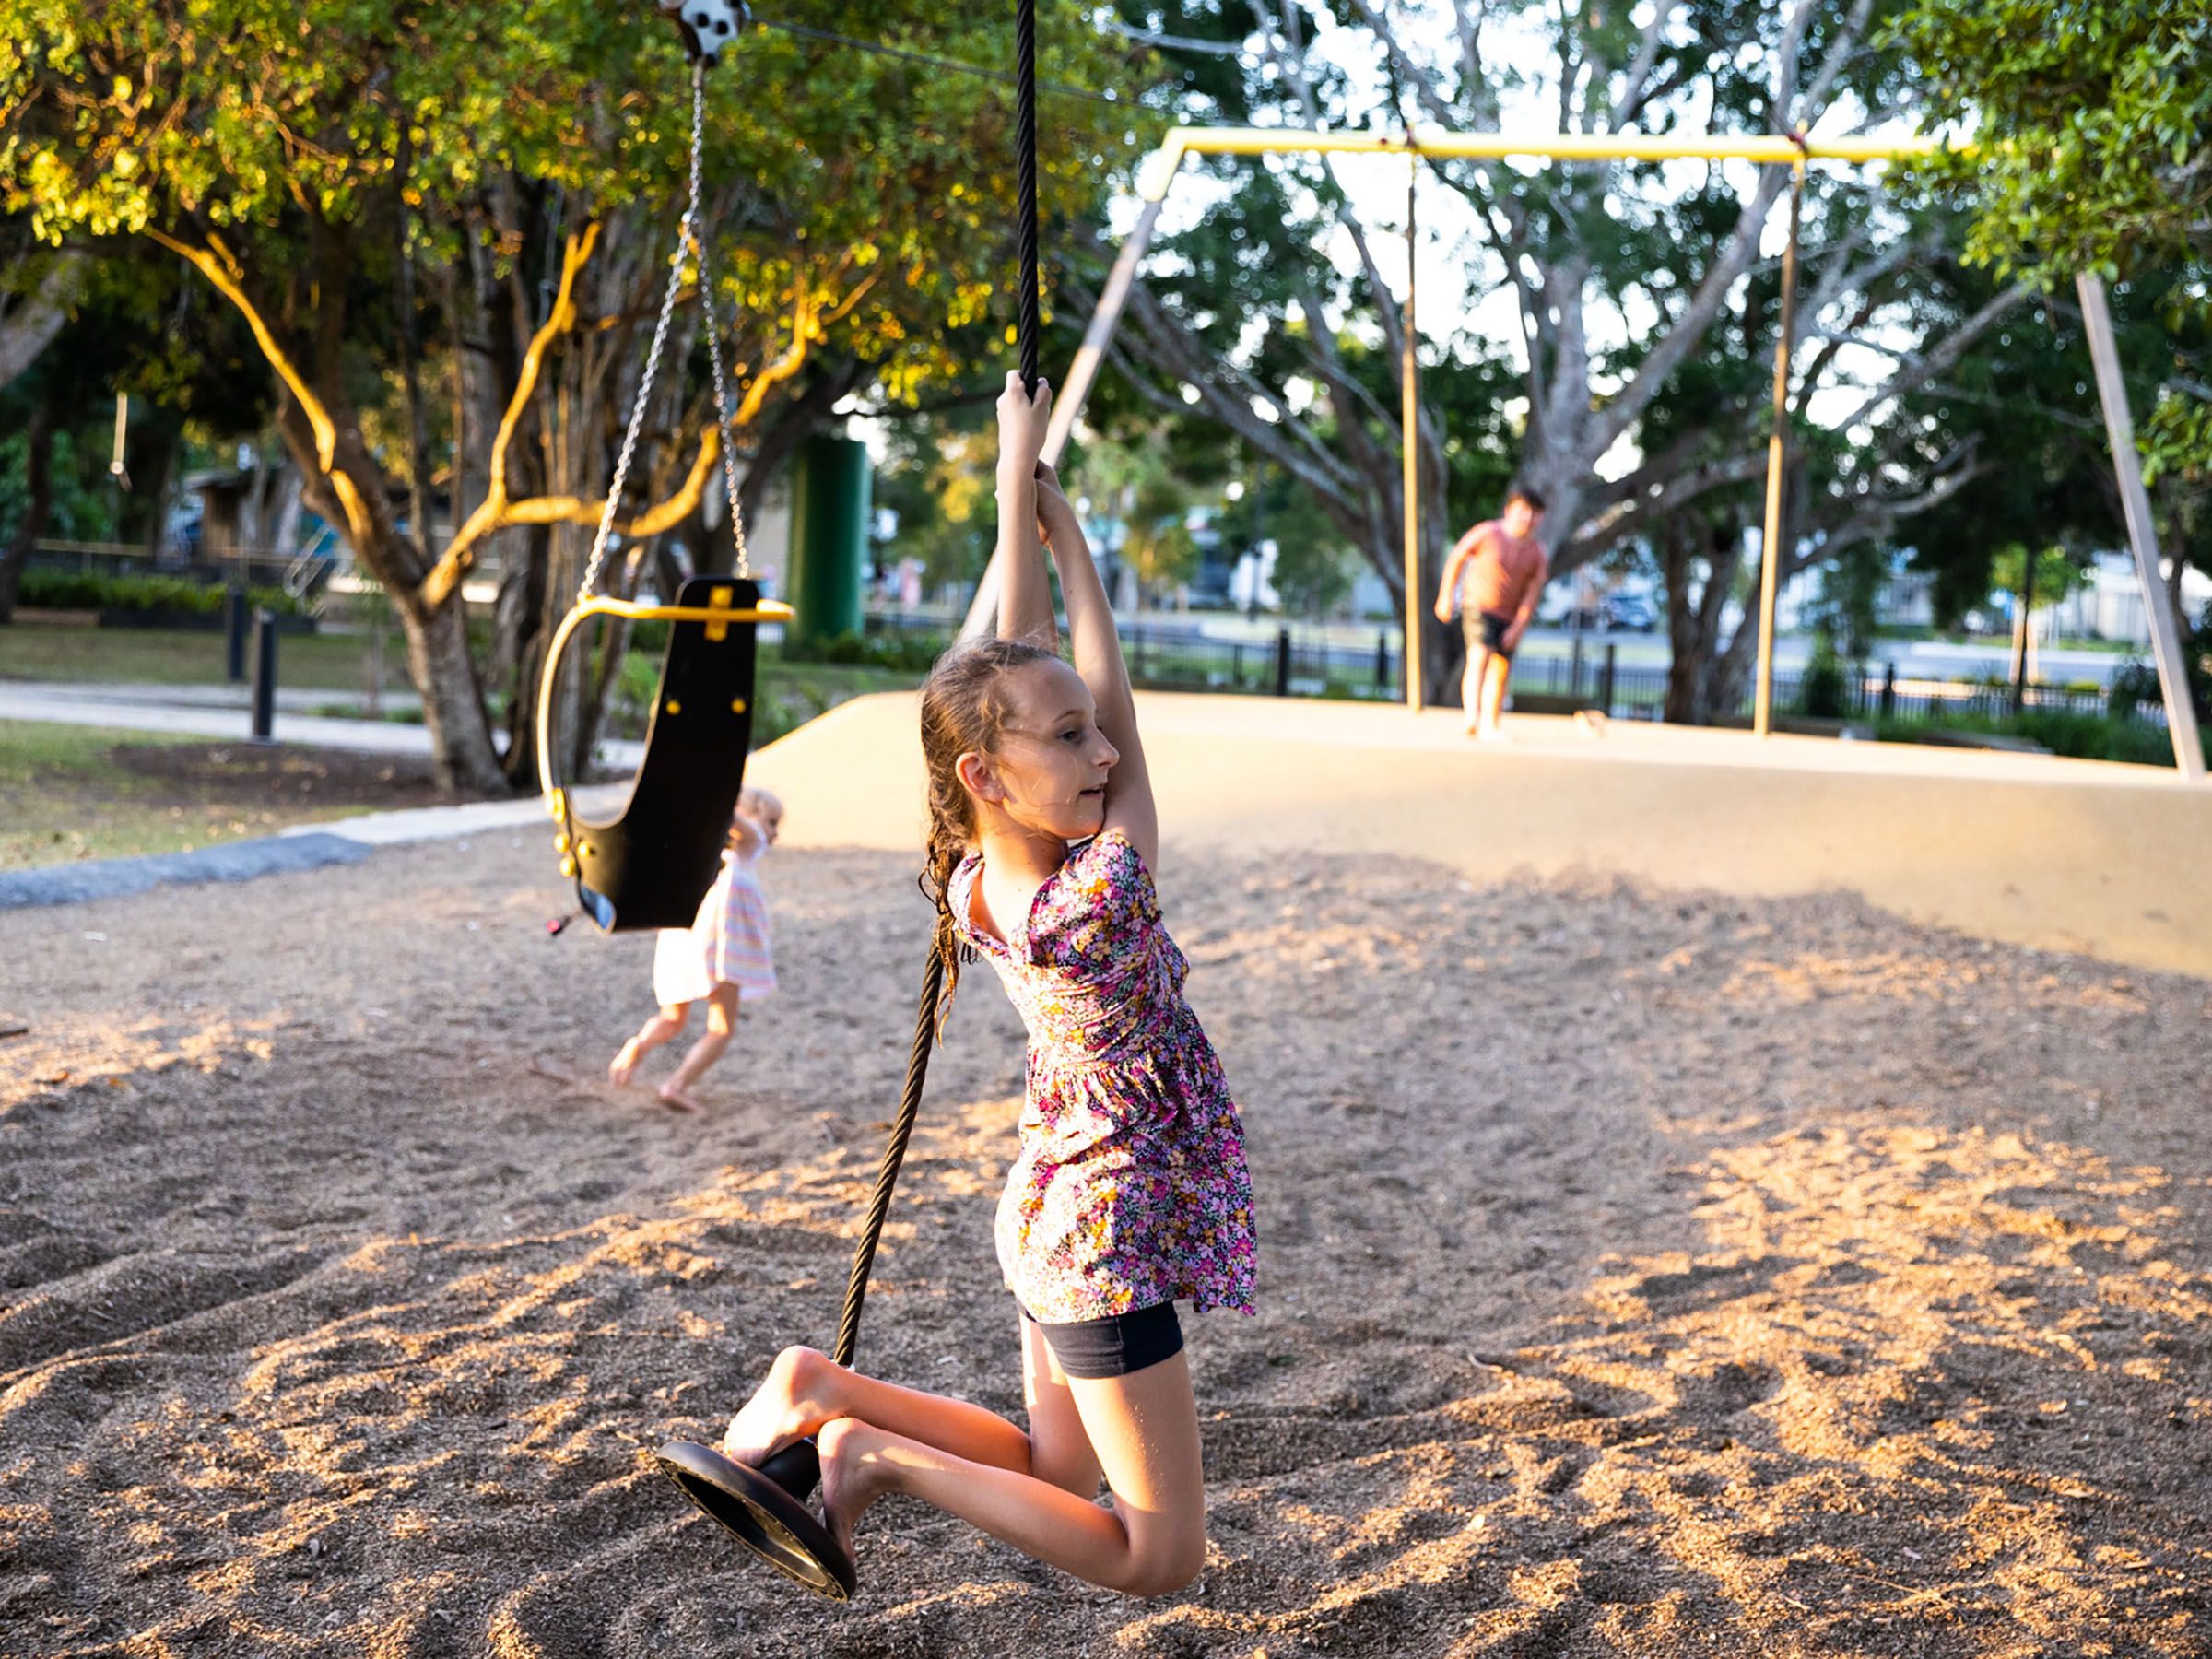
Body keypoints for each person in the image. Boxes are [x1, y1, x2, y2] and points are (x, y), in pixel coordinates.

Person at [717, 372, 1256, 1597]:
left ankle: (815, 1387)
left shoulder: (974, 873)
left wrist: (1019, 483)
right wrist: (1081, 563)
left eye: (1090, 737)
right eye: (1069, 743)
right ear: (992, 775)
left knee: (1053, 1474)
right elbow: (1100, 697)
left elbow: (1015, 675)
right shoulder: (1096, 898)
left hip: (1053, 1215)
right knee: (1157, 1555)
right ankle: (868, 1456)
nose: (1103, 750)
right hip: (1101, 1231)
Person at [606, 787, 782, 1112]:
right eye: (771, 821)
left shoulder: (700, 856)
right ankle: (676, 1084)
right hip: (720, 951)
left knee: (672, 1020)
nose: (774, 832)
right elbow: (736, 822)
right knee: (721, 1028)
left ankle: (638, 1044)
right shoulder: (749, 846)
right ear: (751, 814)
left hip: (680, 942)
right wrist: (716, 794)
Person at [1434, 484, 1549, 739]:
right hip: (1479, 606)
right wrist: (1446, 596)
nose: (1528, 518)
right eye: (1523, 510)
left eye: (1535, 513)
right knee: (1479, 656)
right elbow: (1457, 557)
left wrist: (1519, 626)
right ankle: (1471, 718)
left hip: (1510, 616)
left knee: (1501, 669)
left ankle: (1491, 721)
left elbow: (1532, 593)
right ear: (1509, 510)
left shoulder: (1537, 553)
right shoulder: (1487, 533)